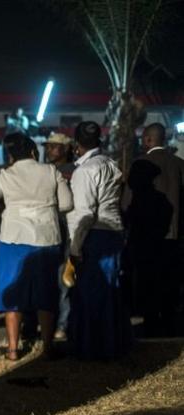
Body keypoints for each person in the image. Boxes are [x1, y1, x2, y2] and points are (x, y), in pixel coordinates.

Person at [0, 133, 72, 361]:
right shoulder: (50, 171)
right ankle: (48, 347)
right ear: (33, 151)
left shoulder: (6, 175)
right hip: (46, 239)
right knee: (46, 296)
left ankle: (12, 349)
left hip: (13, 239)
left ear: (10, 155)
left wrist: (1, 211)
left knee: (13, 296)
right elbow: (68, 203)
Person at [66, 121, 132, 359]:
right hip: (113, 230)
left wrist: (75, 248)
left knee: (93, 293)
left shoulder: (85, 171)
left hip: (96, 233)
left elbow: (84, 214)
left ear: (76, 144)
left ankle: (93, 348)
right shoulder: (110, 163)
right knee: (110, 291)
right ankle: (113, 344)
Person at [122, 123, 184, 337]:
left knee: (147, 280)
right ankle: (168, 323)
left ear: (148, 139)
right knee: (169, 280)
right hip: (173, 235)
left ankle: (149, 324)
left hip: (144, 235)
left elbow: (126, 203)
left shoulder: (139, 164)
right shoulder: (178, 164)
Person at [44, 132, 76, 340]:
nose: (49, 150)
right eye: (48, 146)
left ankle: (63, 324)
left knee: (63, 279)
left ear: (65, 149)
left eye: (54, 146)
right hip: (48, 227)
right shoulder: (45, 170)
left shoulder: (74, 171)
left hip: (65, 227)